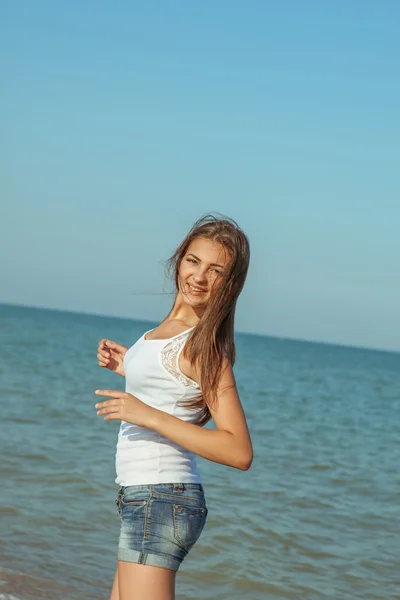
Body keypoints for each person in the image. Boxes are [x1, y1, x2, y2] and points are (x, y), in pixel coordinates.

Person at [95, 214, 253, 600]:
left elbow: (238, 450)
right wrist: (130, 366)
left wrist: (146, 414)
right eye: (193, 261)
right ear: (179, 259)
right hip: (143, 495)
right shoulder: (169, 330)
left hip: (161, 497)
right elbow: (176, 388)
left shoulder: (206, 349)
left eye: (216, 270)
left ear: (229, 285)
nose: (199, 277)